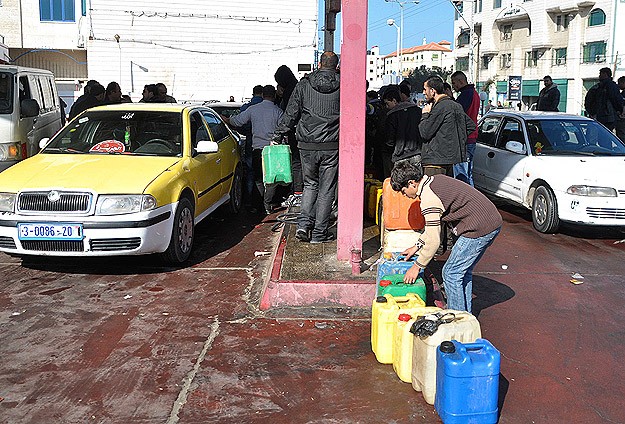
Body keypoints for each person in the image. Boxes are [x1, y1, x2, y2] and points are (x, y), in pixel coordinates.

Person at [390, 160, 502, 313]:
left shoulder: (429, 199)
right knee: (462, 272)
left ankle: (457, 320)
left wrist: (417, 267)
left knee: (451, 273)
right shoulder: (434, 180)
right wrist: (417, 246)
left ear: (411, 183)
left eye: (403, 190)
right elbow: (431, 231)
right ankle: (465, 315)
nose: (404, 195)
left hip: (479, 227)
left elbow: (434, 241)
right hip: (490, 220)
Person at [272, 51, 340, 244]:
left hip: (307, 144)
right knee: (327, 189)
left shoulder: (304, 85)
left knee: (310, 184)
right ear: (336, 65)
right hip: (332, 144)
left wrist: (278, 134)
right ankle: (319, 234)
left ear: (319, 63)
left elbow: (291, 112)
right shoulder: (343, 85)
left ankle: (303, 225)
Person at [226, 85, 284, 214]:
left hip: (257, 149)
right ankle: (267, 203)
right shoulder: (278, 111)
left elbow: (237, 121)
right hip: (273, 150)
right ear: (274, 96)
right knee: (271, 179)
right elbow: (283, 128)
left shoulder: (253, 109)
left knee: (258, 178)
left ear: (262, 95)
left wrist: (227, 119)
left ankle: (257, 205)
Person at [418, 75, 476, 177]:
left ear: (432, 91)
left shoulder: (440, 107)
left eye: (425, 89)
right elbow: (470, 126)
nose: (423, 92)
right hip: (449, 160)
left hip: (435, 162)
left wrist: (425, 114)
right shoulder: (455, 105)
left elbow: (425, 133)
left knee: (433, 191)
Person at [274, 65, 303, 206]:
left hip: (295, 132)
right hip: (307, 132)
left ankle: (298, 193)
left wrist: (279, 134)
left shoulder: (290, 91)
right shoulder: (298, 86)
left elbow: (289, 114)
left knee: (296, 163)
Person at [382, 87, 422, 172]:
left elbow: (390, 140)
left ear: (394, 100)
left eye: (387, 103)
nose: (387, 107)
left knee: (400, 182)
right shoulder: (418, 111)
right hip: (417, 153)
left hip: (400, 155)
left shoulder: (392, 115)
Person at [451, 71, 480, 186]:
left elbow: (457, 114)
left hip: (464, 139)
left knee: (461, 175)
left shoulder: (466, 95)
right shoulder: (473, 93)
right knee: (468, 174)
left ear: (461, 81)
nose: (453, 86)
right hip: (471, 138)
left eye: (454, 83)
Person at [238, 85, 264, 208]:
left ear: (253, 93)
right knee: (265, 173)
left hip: (251, 142)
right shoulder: (269, 107)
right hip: (267, 144)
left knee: (250, 172)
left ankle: (249, 199)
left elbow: (239, 123)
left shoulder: (246, 107)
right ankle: (264, 201)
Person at [616, 76, 625, 142]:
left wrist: (622, 114)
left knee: (621, 134)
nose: (618, 85)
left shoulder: (623, 94)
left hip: (623, 118)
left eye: (619, 83)